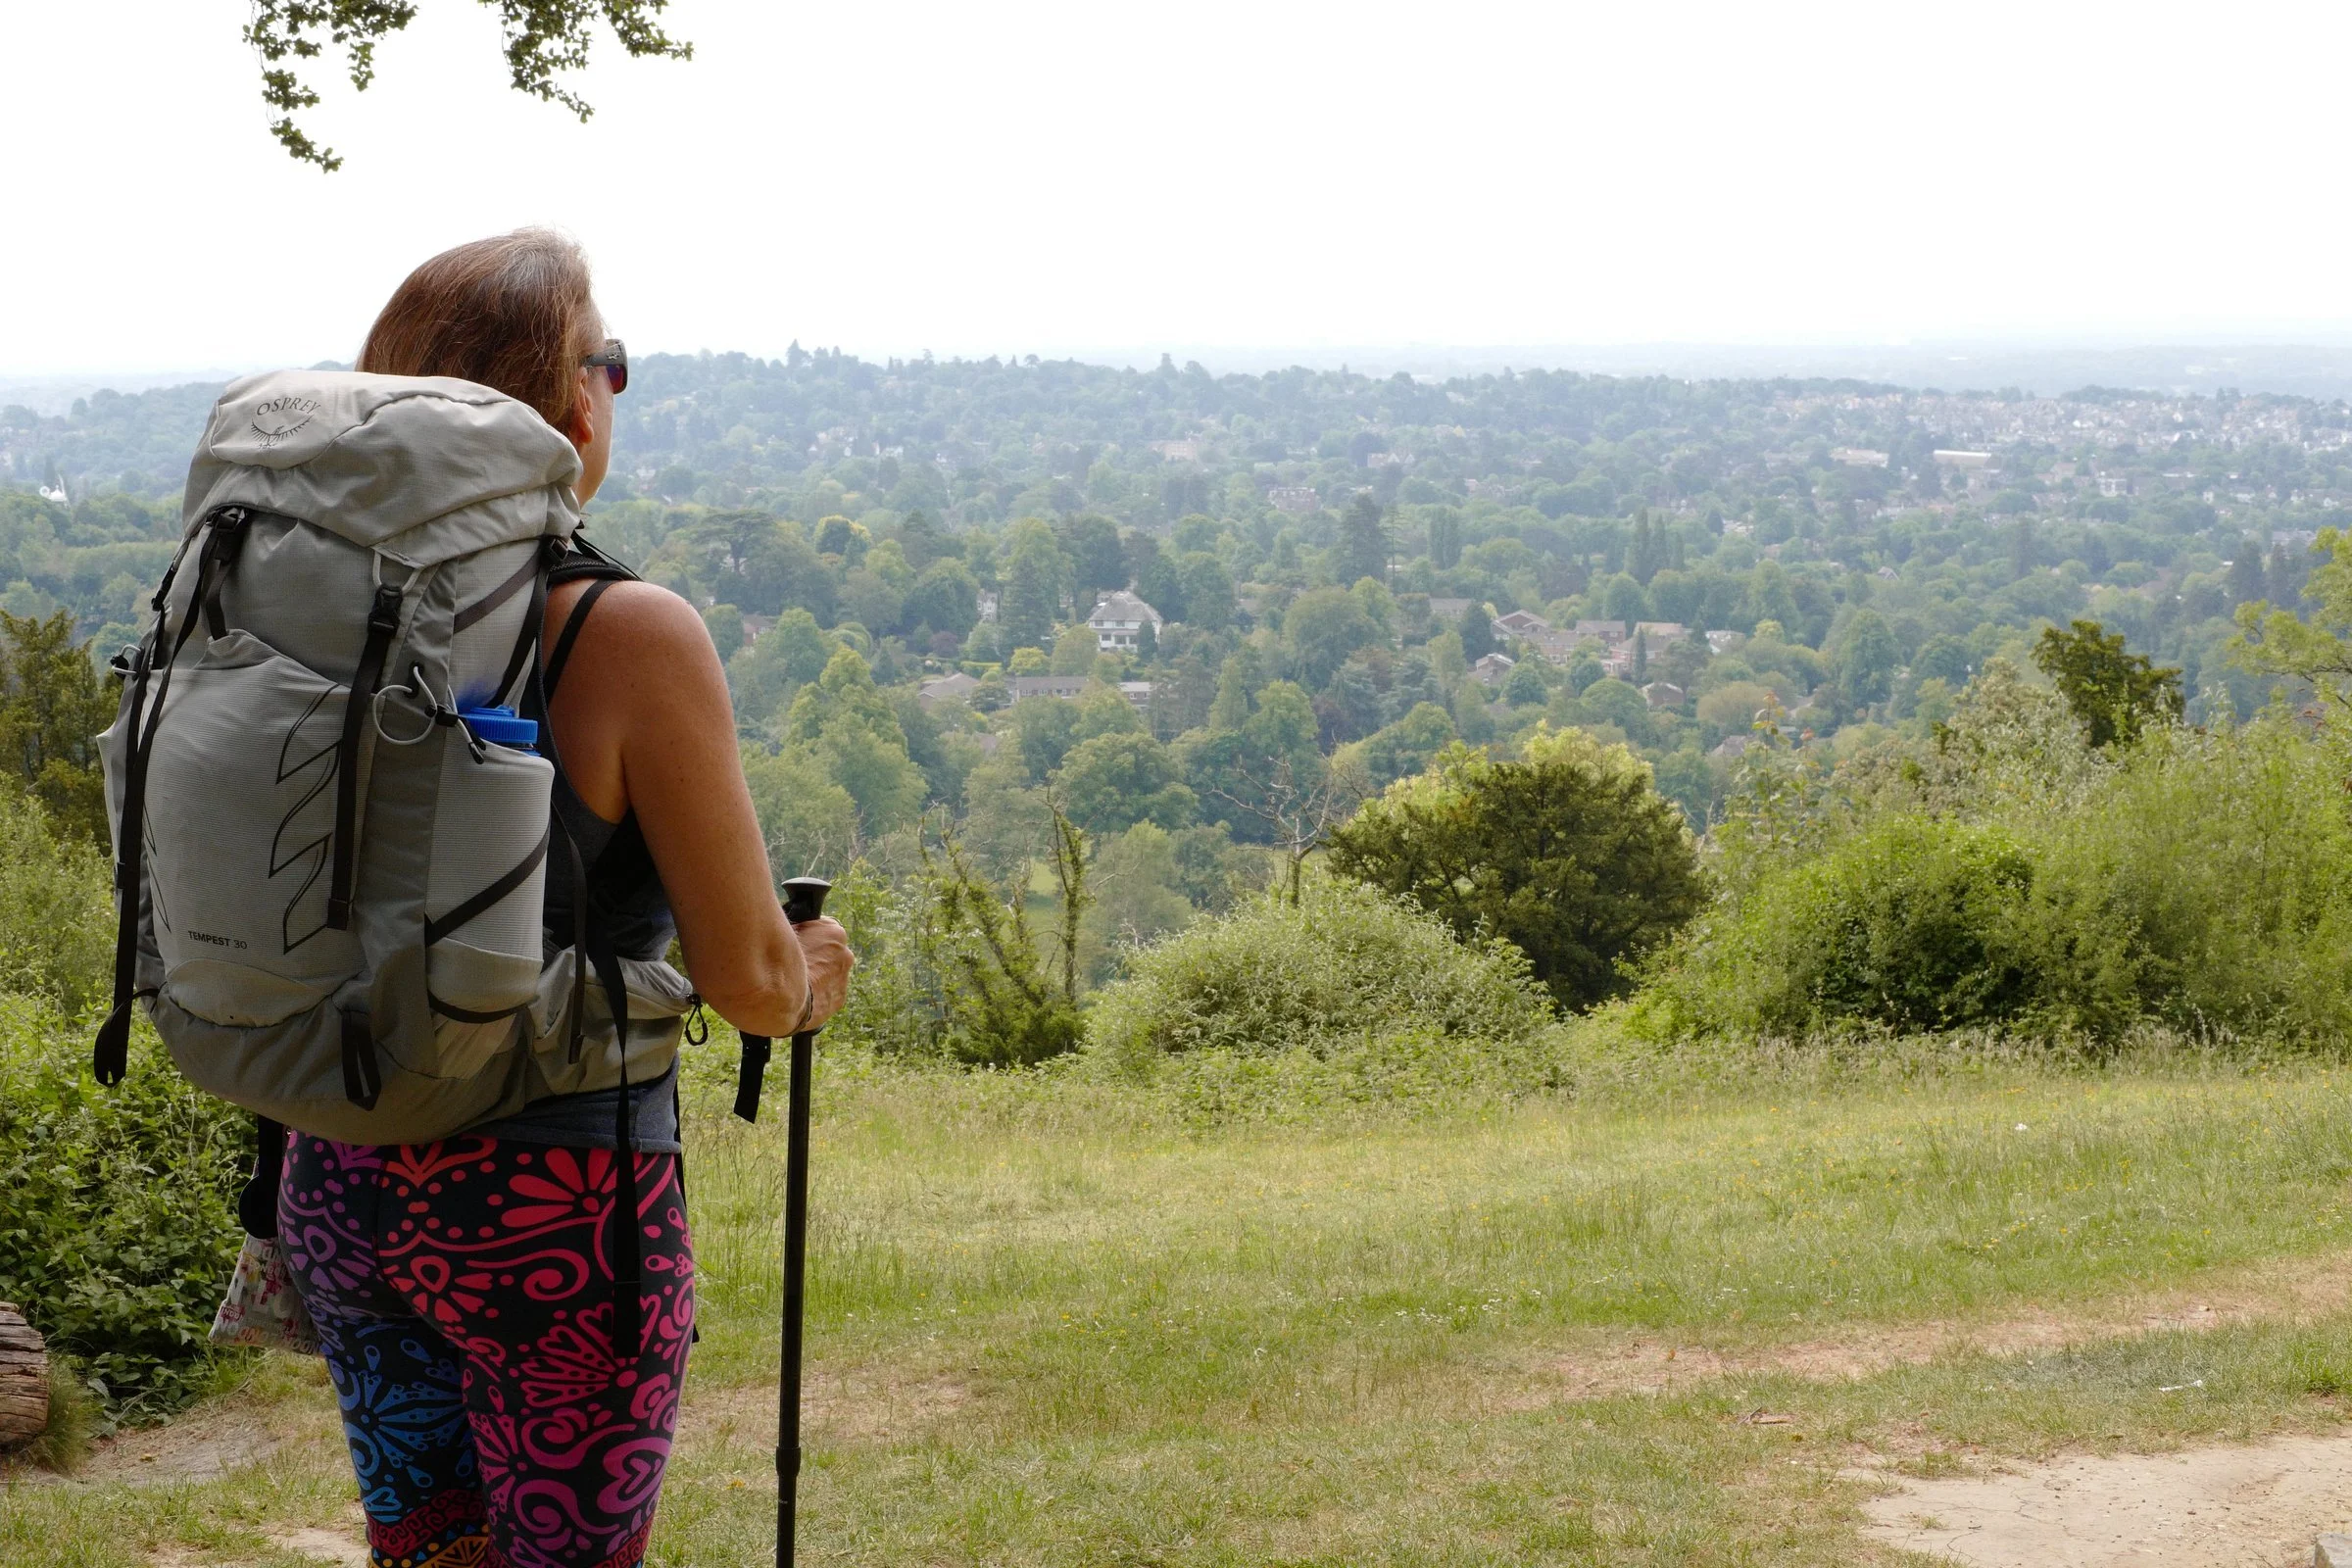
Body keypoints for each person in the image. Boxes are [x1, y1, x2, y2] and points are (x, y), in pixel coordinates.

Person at [272, 229, 854, 1568]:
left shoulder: (308, 604)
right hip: (551, 1209)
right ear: (577, 399)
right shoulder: (625, 632)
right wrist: (813, 969)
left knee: (424, 1552)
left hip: (339, 1181)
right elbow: (756, 984)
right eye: (614, 364)